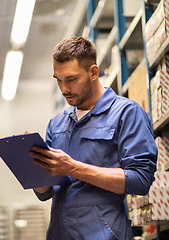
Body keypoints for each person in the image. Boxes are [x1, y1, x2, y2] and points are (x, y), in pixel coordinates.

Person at [29, 36, 157, 240]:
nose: (64, 89)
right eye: (58, 80)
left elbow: (140, 180)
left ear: (93, 72)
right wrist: (34, 169)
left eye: (71, 79)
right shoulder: (57, 124)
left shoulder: (126, 113)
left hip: (103, 235)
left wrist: (72, 168)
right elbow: (46, 192)